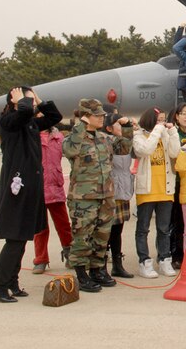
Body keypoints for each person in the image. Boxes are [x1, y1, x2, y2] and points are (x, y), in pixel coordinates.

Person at [0, 87, 62, 303]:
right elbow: (20, 115)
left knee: (22, 239)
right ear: (15, 102)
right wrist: (22, 101)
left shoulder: (29, 123)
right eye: (26, 101)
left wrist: (39, 101)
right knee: (15, 238)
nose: (31, 105)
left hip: (30, 187)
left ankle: (11, 282)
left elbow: (53, 117)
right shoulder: (8, 121)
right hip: (16, 188)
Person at [63, 99, 133, 292]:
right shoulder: (74, 139)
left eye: (103, 115)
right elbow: (69, 150)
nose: (102, 118)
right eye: (97, 115)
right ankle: (81, 274)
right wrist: (81, 126)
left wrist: (126, 126)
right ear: (86, 117)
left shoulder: (104, 138)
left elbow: (125, 147)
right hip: (83, 200)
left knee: (102, 236)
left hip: (105, 197)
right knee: (82, 237)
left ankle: (97, 270)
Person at [133, 107, 181, 278]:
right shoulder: (139, 136)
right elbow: (145, 150)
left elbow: (175, 152)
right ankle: (144, 261)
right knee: (143, 228)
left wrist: (173, 132)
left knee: (164, 228)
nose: (162, 123)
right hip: (147, 190)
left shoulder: (163, 134)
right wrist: (157, 131)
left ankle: (164, 259)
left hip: (166, 189)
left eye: (163, 119)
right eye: (159, 119)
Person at [31, 125, 72, 275]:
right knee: (40, 228)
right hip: (37, 189)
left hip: (55, 187)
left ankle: (69, 253)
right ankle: (41, 259)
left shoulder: (58, 137)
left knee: (64, 225)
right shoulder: (31, 137)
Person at [105, 111, 136, 278]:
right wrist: (128, 126)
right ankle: (101, 265)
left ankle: (117, 264)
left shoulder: (122, 142)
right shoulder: (108, 141)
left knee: (117, 230)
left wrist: (127, 126)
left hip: (122, 189)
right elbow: (124, 142)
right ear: (109, 128)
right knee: (105, 231)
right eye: (118, 125)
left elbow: (127, 143)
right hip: (110, 191)